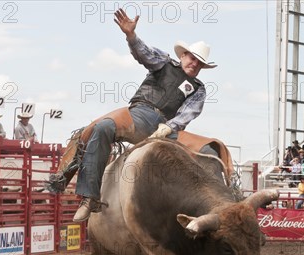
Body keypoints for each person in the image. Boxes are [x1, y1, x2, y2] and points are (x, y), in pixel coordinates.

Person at [72, 8, 218, 222]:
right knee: (103, 128)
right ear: (183, 55)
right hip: (140, 114)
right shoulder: (165, 63)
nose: (195, 64)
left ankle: (199, 211)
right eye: (192, 58)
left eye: (199, 63)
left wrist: (170, 126)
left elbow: (190, 112)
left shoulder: (199, 88)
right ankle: (89, 197)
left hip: (168, 130)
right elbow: (145, 54)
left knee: (202, 157)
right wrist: (131, 35)